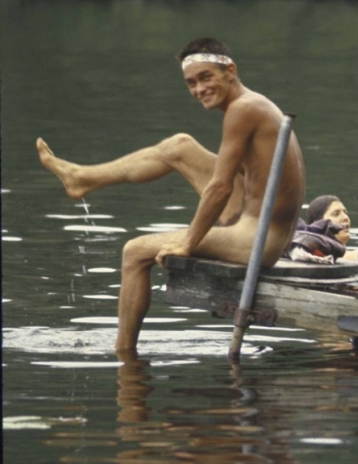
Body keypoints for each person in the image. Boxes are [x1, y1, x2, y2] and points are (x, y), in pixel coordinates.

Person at [36, 37, 305, 351]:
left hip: (260, 238)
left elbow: (220, 188)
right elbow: (250, 175)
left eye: (206, 77)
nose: (199, 89)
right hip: (257, 220)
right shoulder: (251, 105)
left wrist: (187, 242)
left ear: (230, 71)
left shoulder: (243, 110)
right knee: (180, 146)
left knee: (134, 252)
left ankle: (123, 355)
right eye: (191, 83)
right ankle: (81, 178)